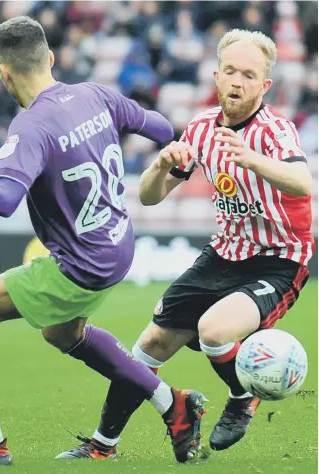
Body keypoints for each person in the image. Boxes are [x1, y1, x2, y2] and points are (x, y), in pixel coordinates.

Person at [59, 28, 314, 459]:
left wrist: (252, 159)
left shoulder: (275, 131)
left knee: (214, 330)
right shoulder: (199, 128)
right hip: (224, 252)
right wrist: (160, 164)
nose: (237, 81)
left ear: (264, 85)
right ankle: (103, 445)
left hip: (278, 260)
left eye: (248, 75)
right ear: (216, 75)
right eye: (230, 71)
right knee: (150, 344)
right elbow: (150, 195)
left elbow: (301, 181)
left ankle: (241, 395)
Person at [0, 16, 207, 465]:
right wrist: (173, 156)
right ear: (49, 57)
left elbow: (6, 199)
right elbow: (163, 130)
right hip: (118, 244)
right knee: (62, 333)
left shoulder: (31, 128)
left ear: (3, 73)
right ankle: (174, 405)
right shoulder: (94, 94)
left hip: (79, 263)